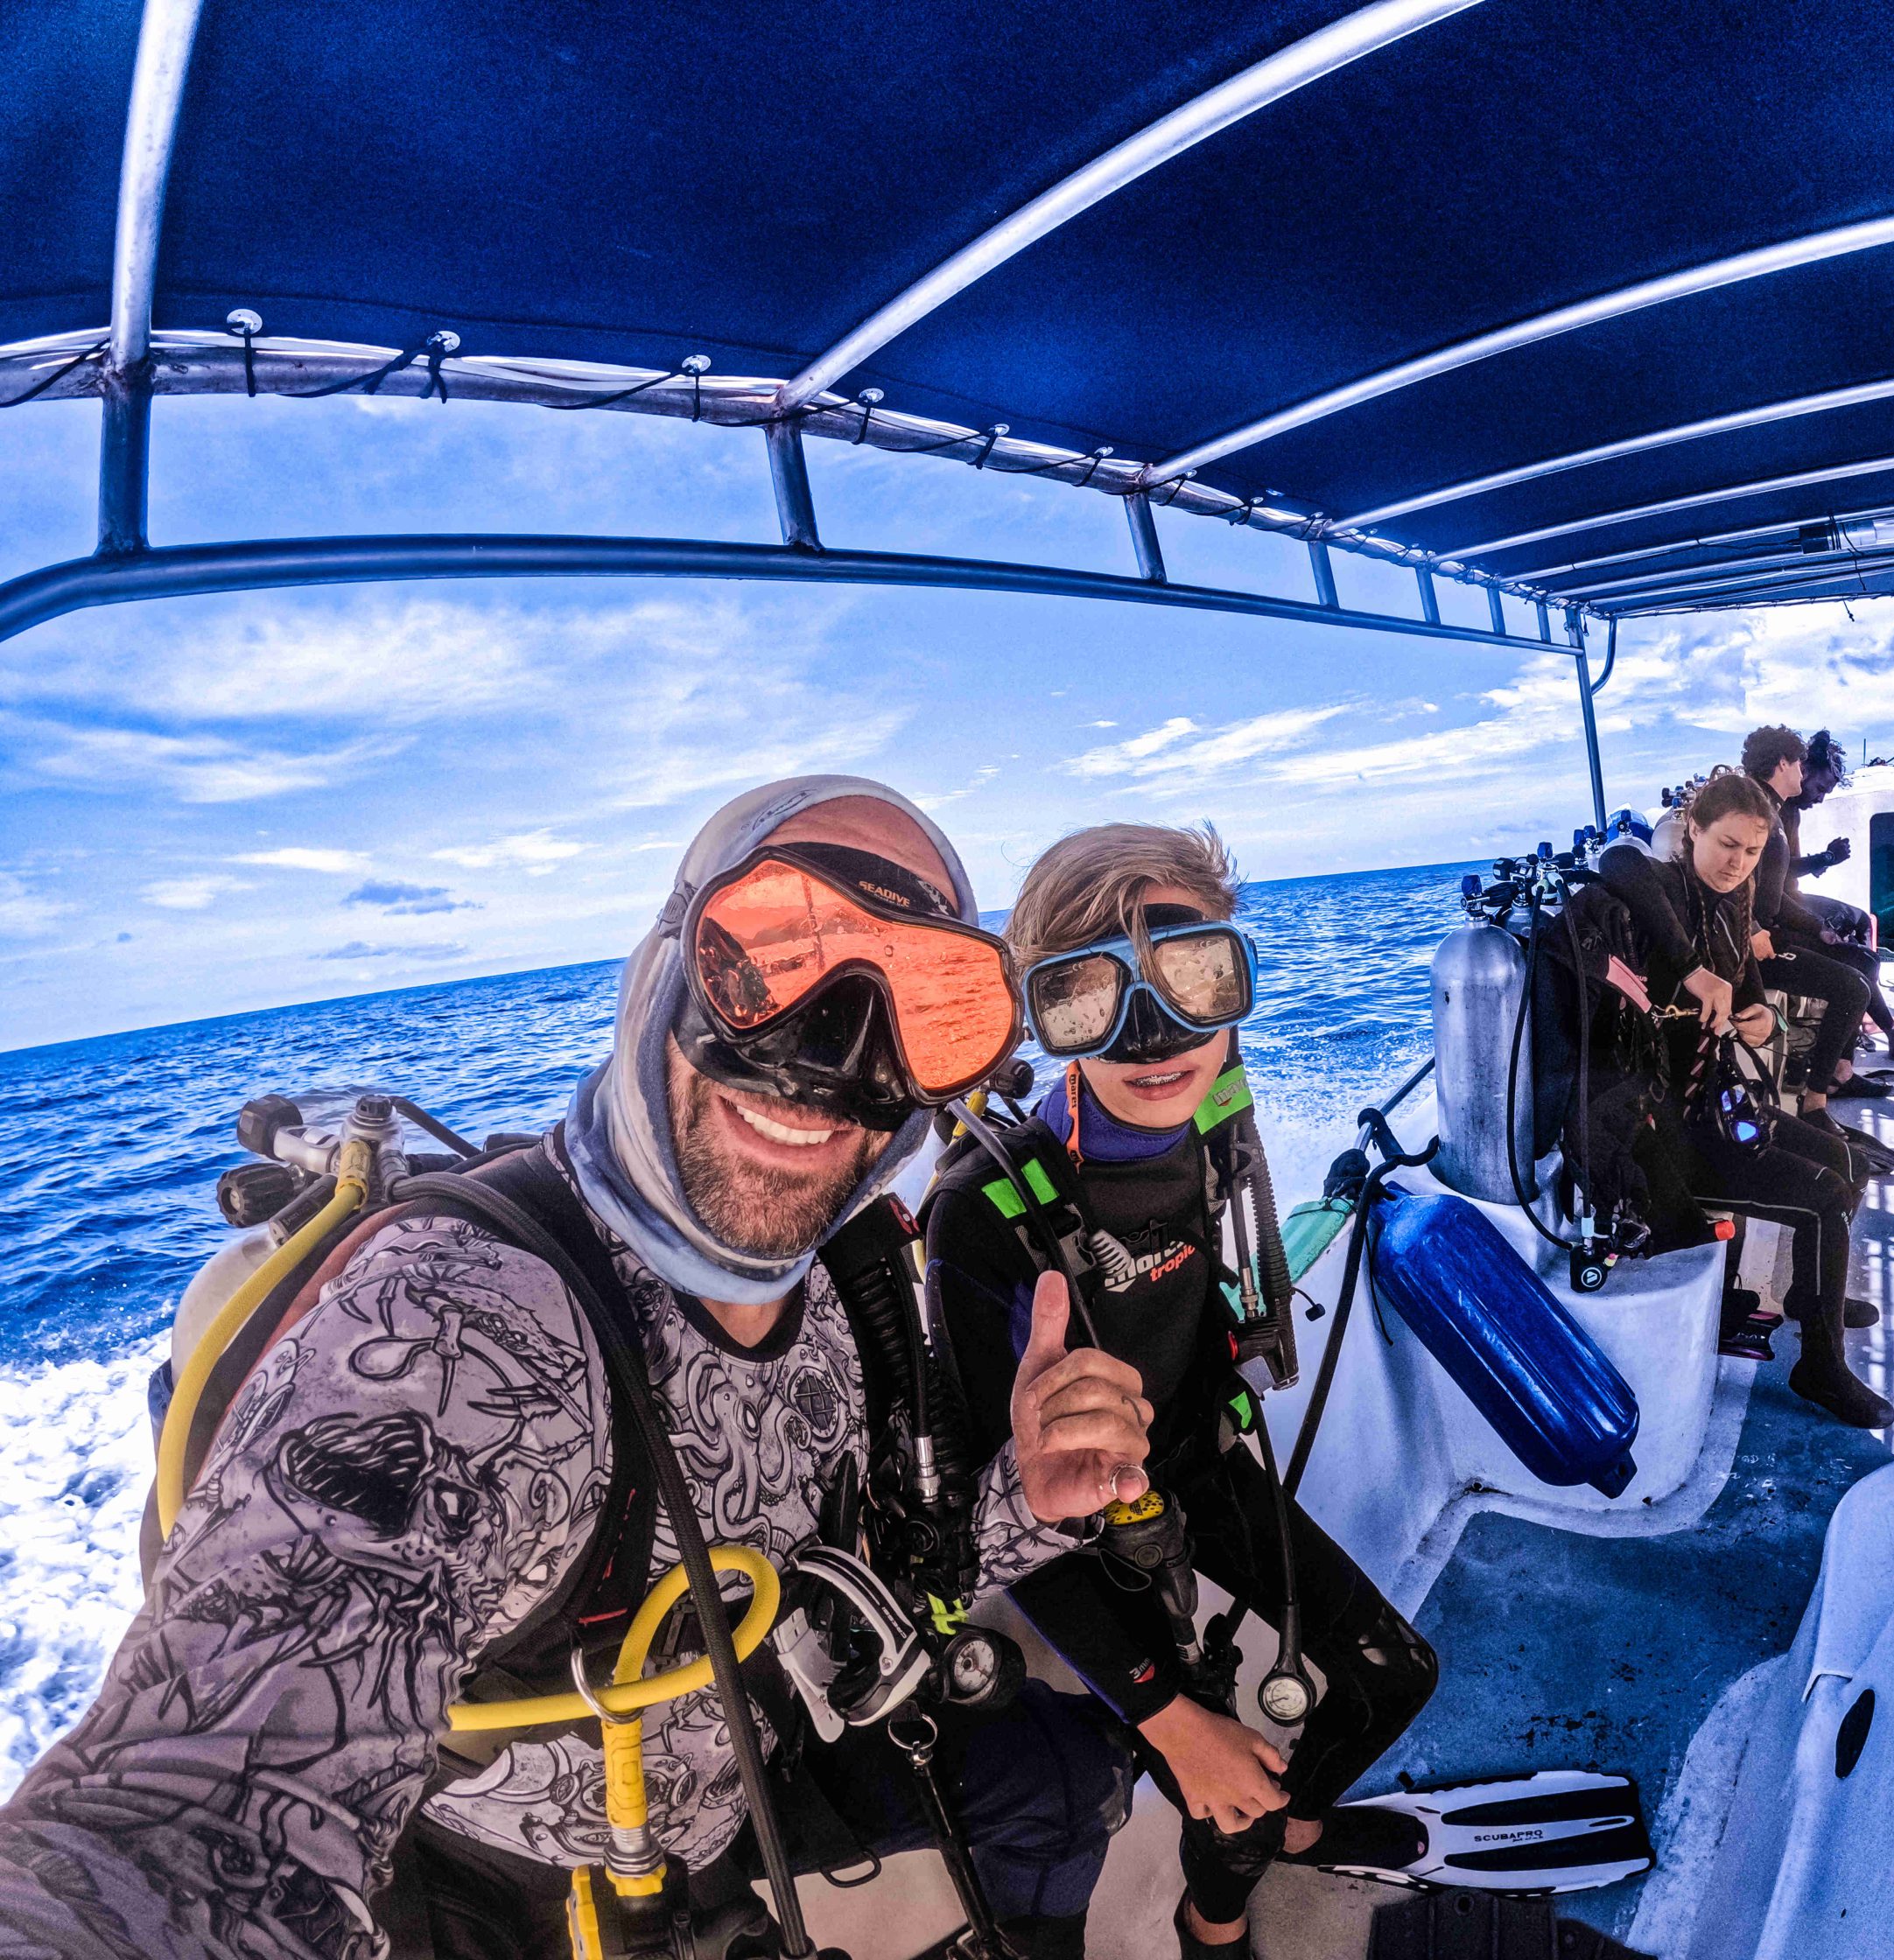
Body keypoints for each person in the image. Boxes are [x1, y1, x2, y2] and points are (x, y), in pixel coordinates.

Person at [0, 778, 1155, 1960]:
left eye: (926, 1003)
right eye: (766, 956)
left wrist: (1033, 1500)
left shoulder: (837, 1295)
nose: (831, 1055)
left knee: (1064, 1779)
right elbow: (177, 1819)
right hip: (507, 1885)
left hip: (735, 1796)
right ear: (661, 968)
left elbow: (882, 1574)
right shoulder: (456, 1328)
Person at [923, 824, 1442, 1957]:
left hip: (1202, 1467)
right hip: (1087, 1541)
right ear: (1036, 1015)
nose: (1153, 1034)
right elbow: (1000, 1518)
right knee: (1227, 1774)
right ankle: (1214, 1927)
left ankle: (1294, 1834)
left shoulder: (1218, 1120)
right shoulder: (984, 1209)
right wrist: (1170, 1715)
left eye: (1192, 976)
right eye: (1088, 996)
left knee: (1396, 1679)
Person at [1597, 774, 1894, 1430]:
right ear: (1692, 832)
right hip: (1672, 1139)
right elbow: (1616, 860)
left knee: (1852, 1167)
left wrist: (1765, 1017)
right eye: (1726, 844)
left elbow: (1748, 984)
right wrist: (1687, 964)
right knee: (1820, 1200)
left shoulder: (1738, 898)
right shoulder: (1666, 891)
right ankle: (1819, 1366)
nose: (1737, 863)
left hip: (1721, 1107)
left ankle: (1811, 1295)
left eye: (1753, 851)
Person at [1738, 726, 1883, 1126]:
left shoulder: (1770, 810)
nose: (1803, 774)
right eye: (1799, 764)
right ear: (1782, 764)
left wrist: (1818, 927)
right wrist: (1751, 928)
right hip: (1755, 947)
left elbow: (1770, 893)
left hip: (1771, 930)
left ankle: (1836, 1078)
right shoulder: (1756, 814)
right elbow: (1737, 888)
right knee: (1853, 986)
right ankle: (1816, 1102)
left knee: (1859, 965)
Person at [1793, 732, 1894, 1071]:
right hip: (1784, 905)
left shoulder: (1792, 812)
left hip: (1792, 898)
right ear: (1802, 771)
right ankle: (1881, 1028)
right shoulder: (1781, 810)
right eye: (1818, 789)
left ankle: (1869, 1016)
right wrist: (1825, 859)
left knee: (1859, 921)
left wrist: (1823, 860)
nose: (1819, 798)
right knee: (1859, 957)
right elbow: (1778, 870)